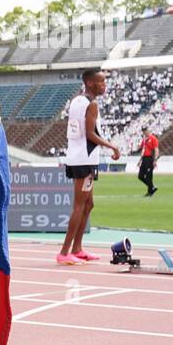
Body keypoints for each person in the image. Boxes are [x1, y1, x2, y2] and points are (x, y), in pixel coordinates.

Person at [57, 70, 119, 265]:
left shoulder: (77, 101)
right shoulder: (91, 104)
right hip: (85, 160)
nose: (105, 85)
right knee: (79, 205)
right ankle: (65, 252)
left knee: (88, 204)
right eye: (102, 82)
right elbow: (90, 134)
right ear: (90, 83)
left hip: (78, 157)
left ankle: (78, 248)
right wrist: (112, 146)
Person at [138, 130, 159, 196]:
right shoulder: (144, 140)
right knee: (140, 176)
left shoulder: (153, 138)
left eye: (145, 131)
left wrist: (155, 160)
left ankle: (150, 192)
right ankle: (152, 187)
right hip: (144, 159)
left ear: (148, 131)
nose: (144, 133)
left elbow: (156, 149)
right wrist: (140, 160)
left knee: (148, 176)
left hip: (150, 158)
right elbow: (142, 149)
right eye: (143, 131)